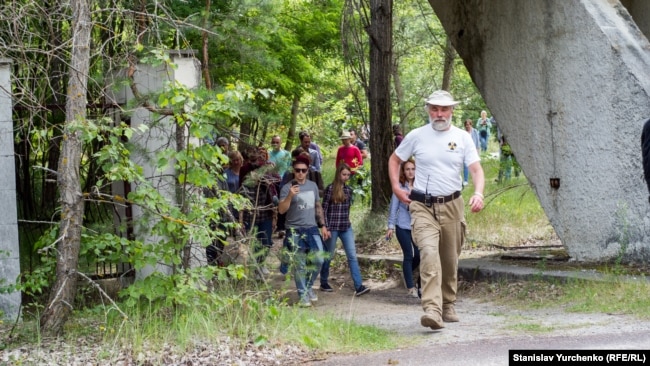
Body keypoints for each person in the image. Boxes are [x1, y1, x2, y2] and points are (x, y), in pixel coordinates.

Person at [388, 90, 485, 330]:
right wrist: (396, 188)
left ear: (452, 110)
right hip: (422, 205)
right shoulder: (416, 136)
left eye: (443, 109)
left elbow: (476, 170)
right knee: (429, 254)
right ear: (428, 110)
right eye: (434, 109)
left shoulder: (463, 137)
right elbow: (394, 160)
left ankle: (448, 302)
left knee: (449, 259)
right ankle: (432, 308)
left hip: (453, 204)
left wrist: (478, 193)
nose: (439, 114)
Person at [278, 155, 330, 307]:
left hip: (311, 227)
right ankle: (302, 295)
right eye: (297, 170)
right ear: (293, 171)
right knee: (299, 264)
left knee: (319, 259)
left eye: (303, 170)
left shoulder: (313, 186)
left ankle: (308, 287)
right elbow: (281, 210)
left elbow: (317, 207)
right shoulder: (287, 188)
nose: (300, 173)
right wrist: (290, 196)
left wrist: (323, 225)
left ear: (307, 171)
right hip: (294, 229)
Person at [319, 163, 370, 296]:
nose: (346, 177)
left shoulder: (349, 190)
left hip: (345, 227)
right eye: (344, 174)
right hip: (332, 227)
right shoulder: (330, 189)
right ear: (338, 174)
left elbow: (347, 210)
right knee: (328, 255)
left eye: (348, 175)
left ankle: (359, 286)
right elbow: (323, 209)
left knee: (352, 256)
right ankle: (323, 281)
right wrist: (325, 227)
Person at [386, 158, 420, 298]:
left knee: (419, 255)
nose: (410, 172)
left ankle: (407, 275)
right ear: (403, 172)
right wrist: (390, 226)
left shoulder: (420, 186)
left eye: (413, 169)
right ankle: (411, 287)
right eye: (407, 169)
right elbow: (393, 208)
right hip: (403, 225)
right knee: (408, 255)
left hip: (417, 225)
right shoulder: (399, 188)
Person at [463, 119, 480, 186]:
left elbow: (478, 142)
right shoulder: (463, 132)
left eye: (468, 125)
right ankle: (466, 180)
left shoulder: (475, 131)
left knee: (474, 165)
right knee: (465, 165)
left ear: (471, 124)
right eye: (466, 125)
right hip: (465, 150)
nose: (467, 126)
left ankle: (476, 179)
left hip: (473, 150)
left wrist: (478, 151)